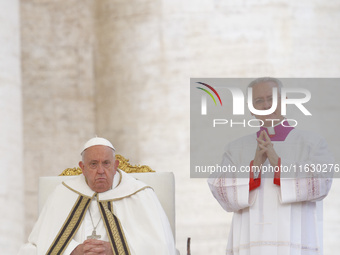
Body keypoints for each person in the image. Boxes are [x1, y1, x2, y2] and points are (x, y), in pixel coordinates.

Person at [208, 77, 333, 255]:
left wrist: (278, 163)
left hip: (294, 240)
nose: (267, 105)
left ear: (285, 102)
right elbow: (220, 188)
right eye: (259, 101)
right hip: (250, 241)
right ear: (251, 109)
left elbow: (323, 182)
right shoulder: (235, 149)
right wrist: (254, 167)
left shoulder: (312, 143)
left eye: (272, 99)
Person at [19, 137, 177, 255]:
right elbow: (39, 241)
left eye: (106, 163)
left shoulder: (141, 194)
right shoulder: (63, 193)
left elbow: (160, 246)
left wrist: (115, 249)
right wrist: (73, 250)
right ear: (83, 168)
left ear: (115, 166)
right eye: (93, 164)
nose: (100, 171)